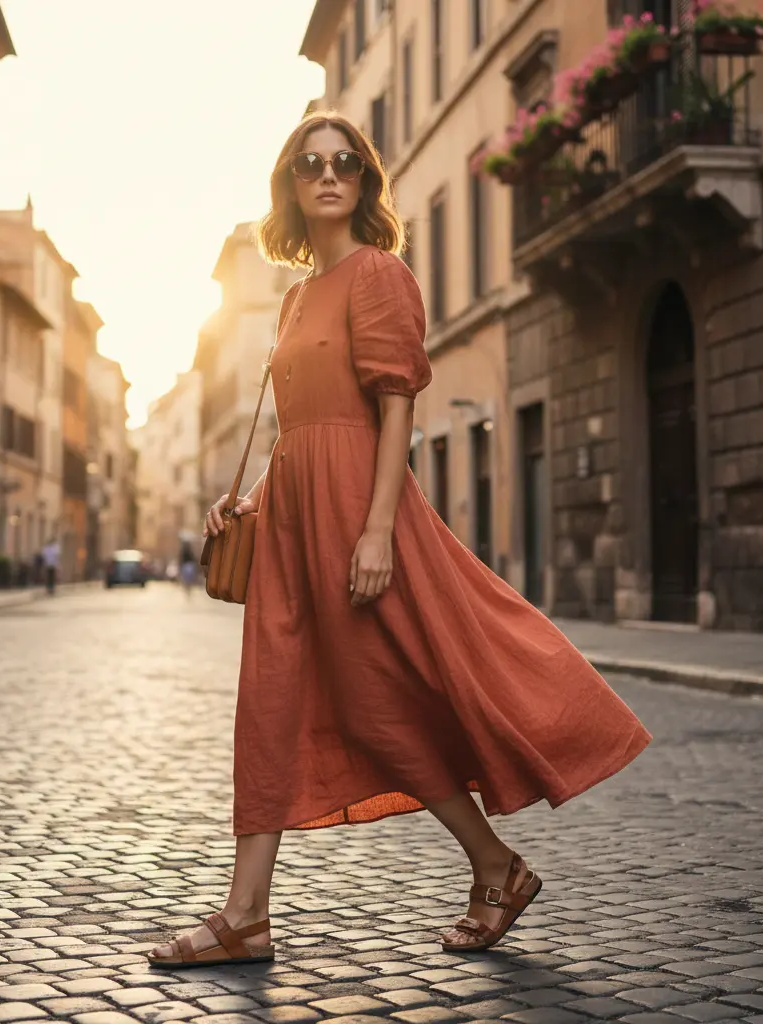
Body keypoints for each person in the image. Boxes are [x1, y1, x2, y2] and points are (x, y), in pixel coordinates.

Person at [147, 112, 652, 969]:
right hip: (293, 524)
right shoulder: (298, 294)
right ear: (291, 184)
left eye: (346, 161)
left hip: (355, 516)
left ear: (365, 180)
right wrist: (252, 509)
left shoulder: (378, 273)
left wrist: (376, 530)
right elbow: (297, 430)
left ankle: (495, 864)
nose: (329, 173)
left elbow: (394, 409)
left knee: (383, 706)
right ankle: (247, 916)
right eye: (310, 163)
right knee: (266, 703)